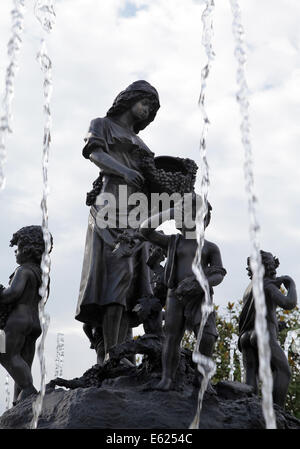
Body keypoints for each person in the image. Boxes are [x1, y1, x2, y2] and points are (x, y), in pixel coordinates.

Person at [75, 80, 160, 362]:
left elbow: (151, 178)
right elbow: (95, 154)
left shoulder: (142, 143)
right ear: (130, 98)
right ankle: (113, 355)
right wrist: (124, 171)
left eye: (152, 109)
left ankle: (123, 353)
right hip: (111, 206)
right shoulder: (101, 124)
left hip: (139, 213)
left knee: (135, 283)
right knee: (116, 276)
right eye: (145, 103)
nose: (147, 111)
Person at [139, 195, 226, 390]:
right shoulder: (173, 242)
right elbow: (144, 230)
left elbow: (219, 274)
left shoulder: (210, 248)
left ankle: (201, 379)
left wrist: (199, 284)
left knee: (207, 336)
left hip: (200, 296)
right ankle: (167, 379)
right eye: (185, 212)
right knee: (172, 336)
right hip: (175, 295)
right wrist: (169, 213)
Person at [238, 251, 297, 408]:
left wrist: (278, 324)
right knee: (283, 371)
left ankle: (249, 407)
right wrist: (291, 284)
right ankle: (276, 413)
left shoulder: (249, 288)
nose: (274, 268)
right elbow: (288, 303)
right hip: (262, 334)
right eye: (272, 264)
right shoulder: (267, 284)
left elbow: (258, 312)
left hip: (245, 336)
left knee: (252, 373)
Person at [0, 225, 52, 403]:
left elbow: (12, 294)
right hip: (34, 322)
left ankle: (28, 389)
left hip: (18, 320)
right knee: (23, 361)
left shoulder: (23, 270)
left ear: (29, 250)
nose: (16, 251)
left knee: (6, 353)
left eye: (19, 247)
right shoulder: (41, 274)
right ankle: (19, 400)